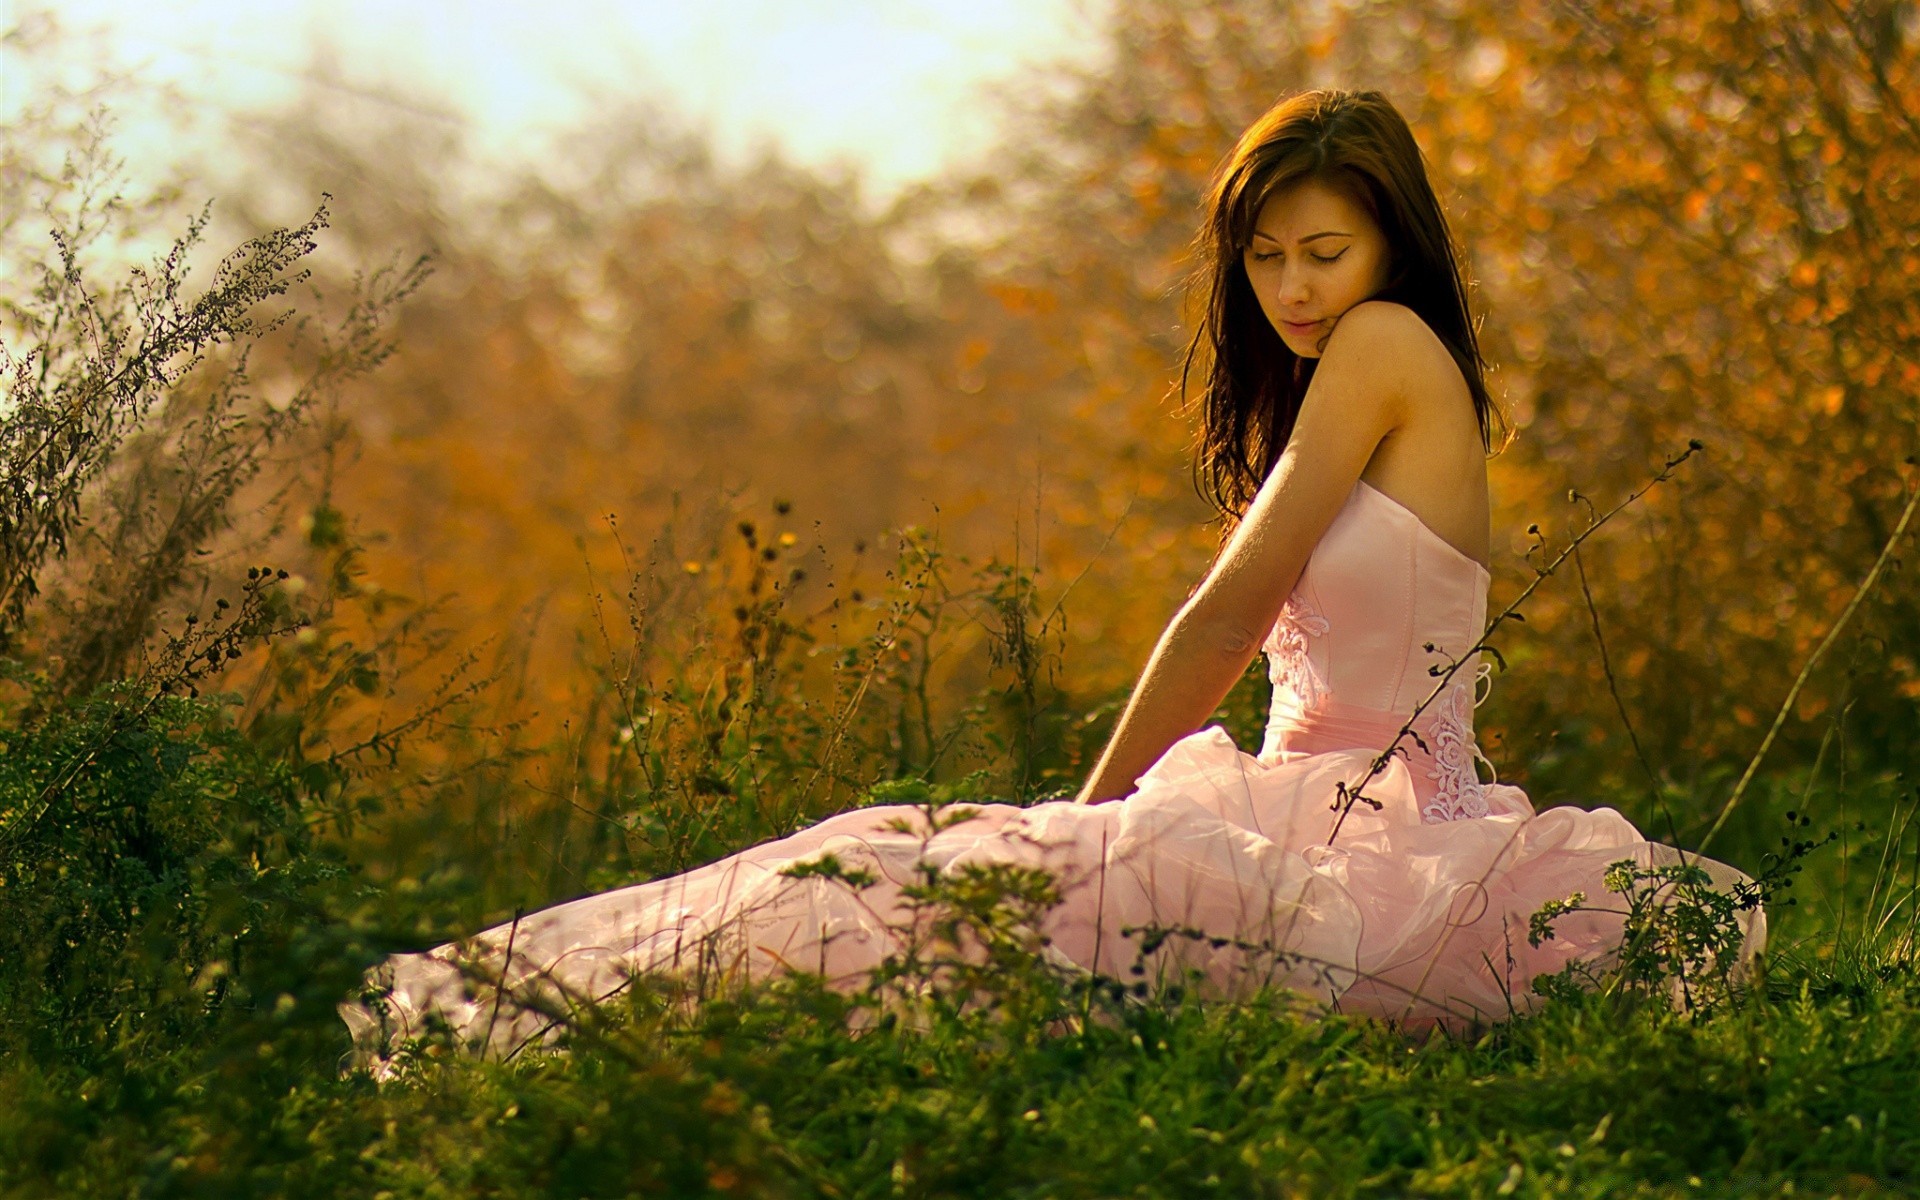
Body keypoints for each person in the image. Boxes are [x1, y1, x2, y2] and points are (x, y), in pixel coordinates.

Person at [340, 88, 1766, 1073]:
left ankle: (568, 1027)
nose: (1293, 287)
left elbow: (1224, 610)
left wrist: (1087, 816)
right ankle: (574, 1024)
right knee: (910, 885)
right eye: (1263, 256)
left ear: (1394, 240)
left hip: (1391, 839)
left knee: (971, 883)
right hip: (1319, 819)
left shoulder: (1389, 345)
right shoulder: (1353, 373)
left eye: (1325, 249)